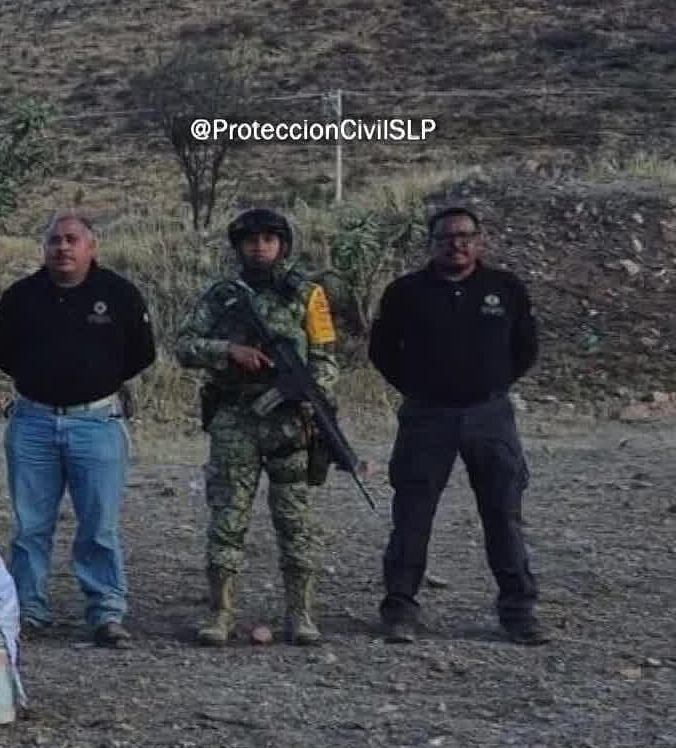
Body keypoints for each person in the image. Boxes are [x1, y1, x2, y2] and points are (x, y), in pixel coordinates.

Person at [369, 206, 542, 644]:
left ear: (479, 241)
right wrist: (419, 386)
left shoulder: (505, 288)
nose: (456, 244)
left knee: (503, 512)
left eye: (465, 236)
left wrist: (492, 383)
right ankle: (400, 609)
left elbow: (525, 347)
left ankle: (519, 611)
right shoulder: (406, 292)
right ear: (431, 244)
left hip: (490, 416)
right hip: (426, 417)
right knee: (413, 514)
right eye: (446, 237)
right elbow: (382, 351)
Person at [174, 209, 339, 647]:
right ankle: (221, 613)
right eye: (251, 240)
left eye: (269, 239)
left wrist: (309, 393)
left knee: (295, 520)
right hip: (236, 418)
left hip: (290, 423)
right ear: (239, 247)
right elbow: (184, 346)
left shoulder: (308, 294)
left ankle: (301, 613)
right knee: (228, 517)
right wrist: (228, 351)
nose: (260, 247)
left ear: (283, 244)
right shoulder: (222, 296)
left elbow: (325, 357)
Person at [0, 214, 154, 648]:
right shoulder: (21, 296)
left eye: (72, 240)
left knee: (99, 526)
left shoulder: (118, 294)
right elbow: (0, 352)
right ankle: (28, 610)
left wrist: (95, 378)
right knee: (30, 526)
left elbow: (141, 352)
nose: (63, 248)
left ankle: (106, 613)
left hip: (96, 424)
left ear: (91, 247)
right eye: (55, 240)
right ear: (44, 248)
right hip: (33, 423)